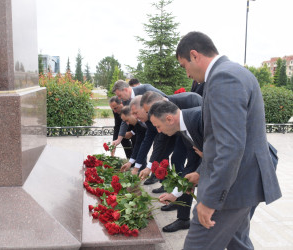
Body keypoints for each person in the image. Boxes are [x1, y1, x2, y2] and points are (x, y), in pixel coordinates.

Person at [176, 31, 281, 250]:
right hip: (242, 184)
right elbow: (219, 141)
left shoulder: (224, 78)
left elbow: (230, 147)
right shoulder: (234, 72)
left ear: (195, 55)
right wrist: (202, 173)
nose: (186, 74)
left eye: (184, 65)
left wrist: (210, 200)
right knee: (238, 244)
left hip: (233, 188)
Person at [149, 101, 202, 233]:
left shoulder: (200, 119)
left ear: (169, 119)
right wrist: (174, 194)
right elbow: (192, 163)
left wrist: (207, 156)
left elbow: (223, 153)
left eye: (158, 126)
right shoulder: (183, 129)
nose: (158, 131)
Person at [119, 105, 147, 175]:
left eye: (127, 120)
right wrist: (130, 162)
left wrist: (137, 168)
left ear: (132, 114)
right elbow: (139, 144)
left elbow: (146, 145)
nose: (127, 123)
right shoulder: (138, 125)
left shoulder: (146, 119)